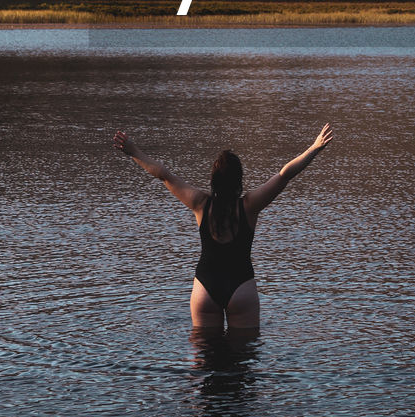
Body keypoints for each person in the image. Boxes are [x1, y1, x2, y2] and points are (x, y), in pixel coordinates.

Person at [113, 124, 333, 330]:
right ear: (239, 180)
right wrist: (315, 147)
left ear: (213, 180)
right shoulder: (249, 206)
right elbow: (285, 174)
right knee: (244, 359)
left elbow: (163, 174)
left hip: (205, 289)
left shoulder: (200, 203)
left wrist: (134, 151)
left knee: (203, 358)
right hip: (241, 288)